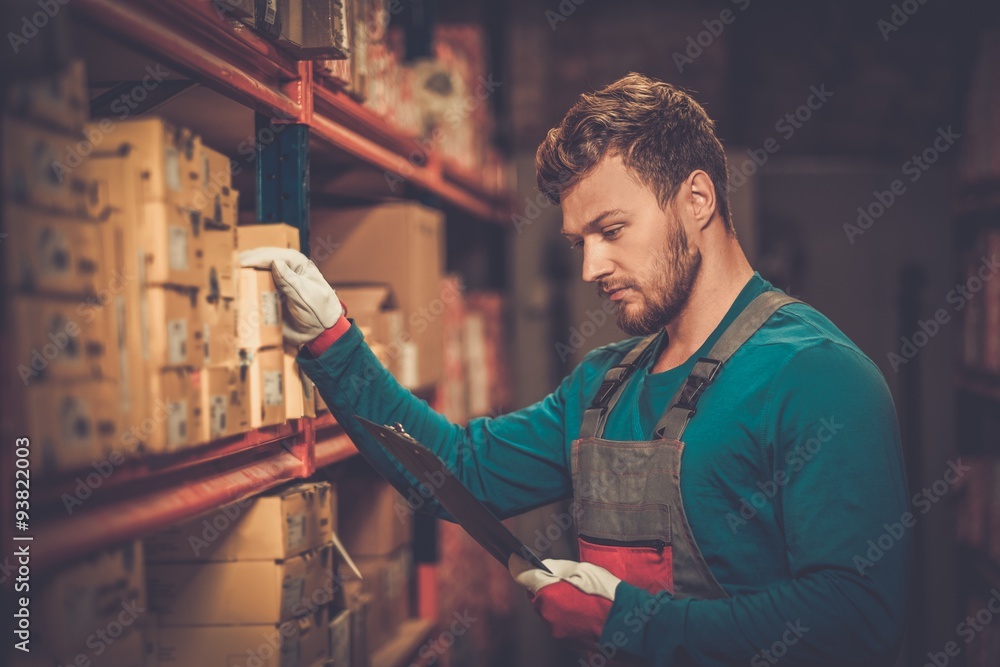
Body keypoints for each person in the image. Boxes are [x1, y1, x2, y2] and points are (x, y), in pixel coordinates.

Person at [241, 72, 911, 666]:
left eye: (612, 231)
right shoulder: (602, 384)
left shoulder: (817, 376)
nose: (591, 267)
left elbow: (857, 618)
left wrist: (628, 622)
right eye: (578, 242)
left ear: (697, 200)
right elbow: (455, 472)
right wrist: (335, 345)